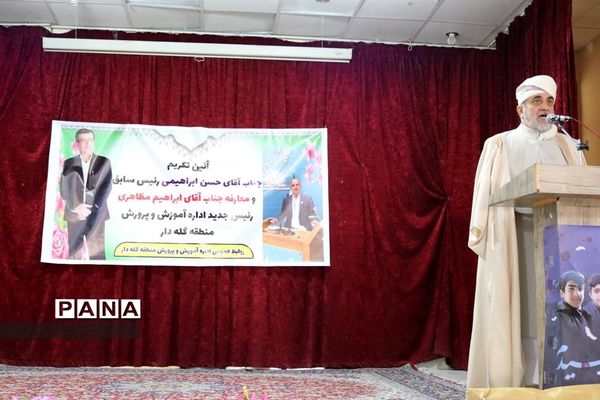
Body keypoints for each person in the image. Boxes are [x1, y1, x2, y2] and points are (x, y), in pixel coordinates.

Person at [467, 75, 586, 388]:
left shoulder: (569, 145)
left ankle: (560, 378)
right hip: (515, 236)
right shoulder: (499, 145)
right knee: (521, 309)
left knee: (558, 307)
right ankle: (518, 380)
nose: (545, 107)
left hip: (561, 238)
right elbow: (485, 200)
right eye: (537, 101)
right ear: (520, 110)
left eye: (549, 101)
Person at [60, 128, 112, 260]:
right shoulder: (69, 163)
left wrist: (92, 209)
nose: (88, 143)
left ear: (94, 142)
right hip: (74, 214)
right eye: (84, 140)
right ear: (77, 143)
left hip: (96, 215)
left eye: (90, 140)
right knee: (74, 254)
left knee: (98, 255)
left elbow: (106, 187)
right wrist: (76, 207)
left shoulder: (103, 162)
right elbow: (64, 188)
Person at [545, 271, 600, 386]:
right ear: (562, 293)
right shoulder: (557, 319)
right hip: (569, 381)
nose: (577, 294)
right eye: (571, 289)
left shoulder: (584, 315)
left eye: (580, 289)